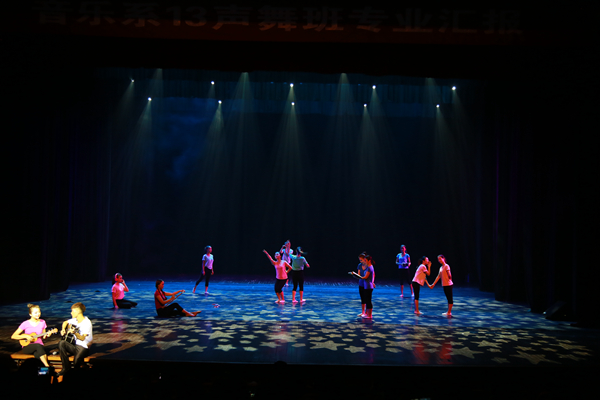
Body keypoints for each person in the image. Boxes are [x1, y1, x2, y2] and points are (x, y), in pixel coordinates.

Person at [11, 304, 56, 369]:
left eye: (39, 312)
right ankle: (47, 367)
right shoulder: (25, 323)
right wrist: (26, 336)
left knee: (38, 354)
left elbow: (43, 336)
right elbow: (13, 336)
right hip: (27, 346)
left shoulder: (42, 322)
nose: (38, 314)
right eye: (35, 313)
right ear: (30, 314)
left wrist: (48, 334)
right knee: (38, 347)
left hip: (40, 347)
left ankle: (43, 371)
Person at [58, 302, 93, 375]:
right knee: (62, 343)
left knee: (76, 363)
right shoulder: (75, 320)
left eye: (72, 311)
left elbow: (82, 338)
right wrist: (63, 329)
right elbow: (65, 322)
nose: (71, 313)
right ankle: (65, 368)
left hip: (83, 348)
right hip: (75, 346)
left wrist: (75, 333)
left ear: (78, 312)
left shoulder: (87, 323)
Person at [350, 252, 375, 319]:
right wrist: (355, 275)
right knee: (364, 298)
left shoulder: (369, 267)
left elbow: (368, 276)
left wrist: (372, 282)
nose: (361, 261)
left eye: (362, 260)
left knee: (368, 300)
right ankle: (365, 313)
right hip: (363, 283)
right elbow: (360, 275)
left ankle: (368, 314)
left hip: (367, 285)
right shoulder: (361, 266)